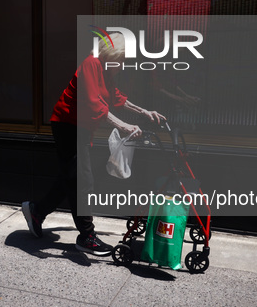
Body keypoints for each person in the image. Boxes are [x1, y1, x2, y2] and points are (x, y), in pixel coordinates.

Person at [22, 33, 166, 256]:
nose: (123, 64)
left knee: (70, 177)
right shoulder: (91, 64)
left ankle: (36, 212)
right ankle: (86, 236)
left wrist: (144, 112)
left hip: (81, 128)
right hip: (67, 125)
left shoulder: (105, 70)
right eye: (123, 59)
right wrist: (123, 126)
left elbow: (115, 97)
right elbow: (93, 103)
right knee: (82, 180)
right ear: (113, 54)